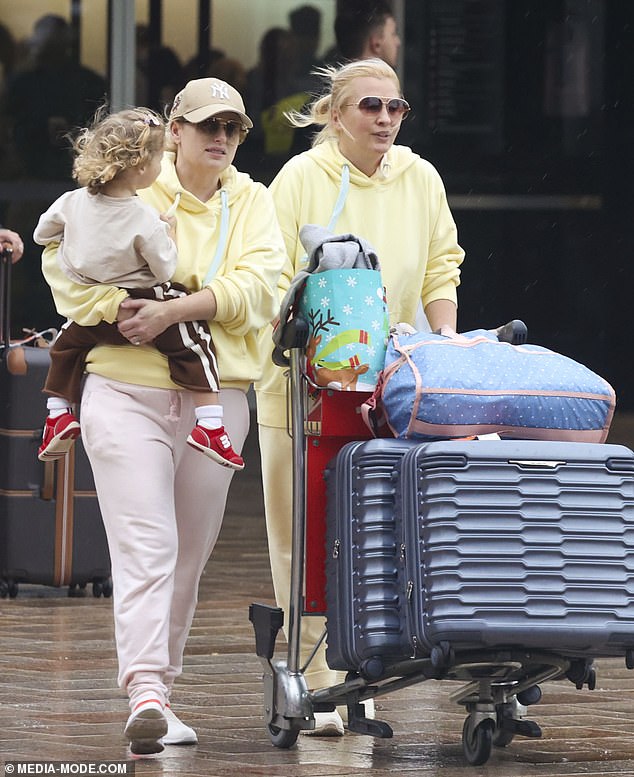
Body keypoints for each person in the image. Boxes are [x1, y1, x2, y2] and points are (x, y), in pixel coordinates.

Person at [39, 77, 286, 755]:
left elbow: (264, 286)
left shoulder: (255, 202)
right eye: (206, 124)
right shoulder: (130, 184)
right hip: (122, 388)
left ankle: (161, 691)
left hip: (219, 396)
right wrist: (114, 309)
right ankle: (145, 689)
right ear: (172, 129)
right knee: (148, 545)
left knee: (188, 555)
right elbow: (62, 263)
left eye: (233, 128)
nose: (220, 137)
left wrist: (177, 308)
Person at [255, 57, 464, 736]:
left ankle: (360, 675)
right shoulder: (299, 179)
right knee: (307, 532)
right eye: (369, 106)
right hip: (304, 386)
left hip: (394, 383)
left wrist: (445, 340)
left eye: (394, 107)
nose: (383, 119)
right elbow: (272, 275)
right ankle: (313, 678)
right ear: (335, 114)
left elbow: (441, 263)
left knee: (379, 531)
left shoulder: (421, 177)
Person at [33, 106, 244, 470]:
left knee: (66, 345)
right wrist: (170, 233)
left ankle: (56, 414)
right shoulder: (143, 217)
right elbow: (165, 268)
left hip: (95, 314)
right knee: (195, 343)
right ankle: (210, 423)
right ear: (140, 168)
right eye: (158, 158)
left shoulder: (72, 202)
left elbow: (42, 234)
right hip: (144, 305)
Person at [328, 0, 401, 67]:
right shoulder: (383, 81)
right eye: (393, 34)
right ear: (376, 44)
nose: (398, 42)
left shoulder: (335, 80)